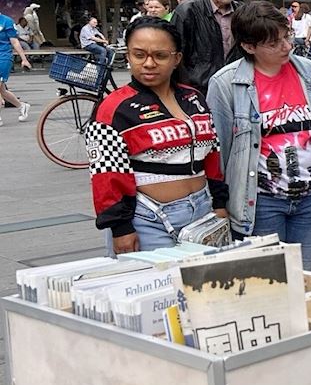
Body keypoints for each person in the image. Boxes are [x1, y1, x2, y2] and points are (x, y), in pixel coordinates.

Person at [208, 1, 311, 268]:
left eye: (287, 36)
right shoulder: (227, 84)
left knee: (302, 275)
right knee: (270, 279)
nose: (286, 46)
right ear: (249, 46)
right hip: (260, 202)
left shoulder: (310, 73)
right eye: (274, 43)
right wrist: (219, 203)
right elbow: (220, 149)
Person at [87, 17, 227, 253]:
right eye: (139, 55)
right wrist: (120, 228)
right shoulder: (113, 108)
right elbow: (105, 175)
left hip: (203, 212)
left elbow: (213, 155)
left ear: (176, 59)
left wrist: (219, 202)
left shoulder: (194, 98)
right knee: (159, 278)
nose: (149, 63)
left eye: (160, 56)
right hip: (148, 220)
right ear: (128, 56)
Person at [174, 0, 242, 90]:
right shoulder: (188, 11)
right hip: (198, 88)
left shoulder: (242, 12)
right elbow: (176, 53)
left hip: (234, 86)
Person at [0, 10, 33, 127]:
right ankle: (22, 106)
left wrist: (24, 59)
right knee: (2, 90)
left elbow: (15, 42)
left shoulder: (6, 21)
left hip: (3, 57)